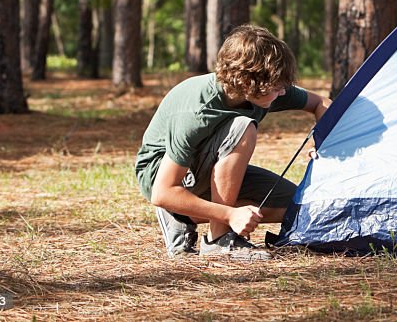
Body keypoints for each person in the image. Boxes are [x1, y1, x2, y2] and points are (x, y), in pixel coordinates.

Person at [135, 24, 331, 259]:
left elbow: (322, 103)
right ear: (248, 83)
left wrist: (324, 143)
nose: (282, 93)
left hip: (210, 171)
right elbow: (162, 192)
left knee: (297, 206)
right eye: (277, 88)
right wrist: (230, 215)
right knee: (242, 127)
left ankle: (181, 215)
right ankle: (219, 241)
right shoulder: (198, 110)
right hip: (163, 176)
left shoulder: (266, 90)